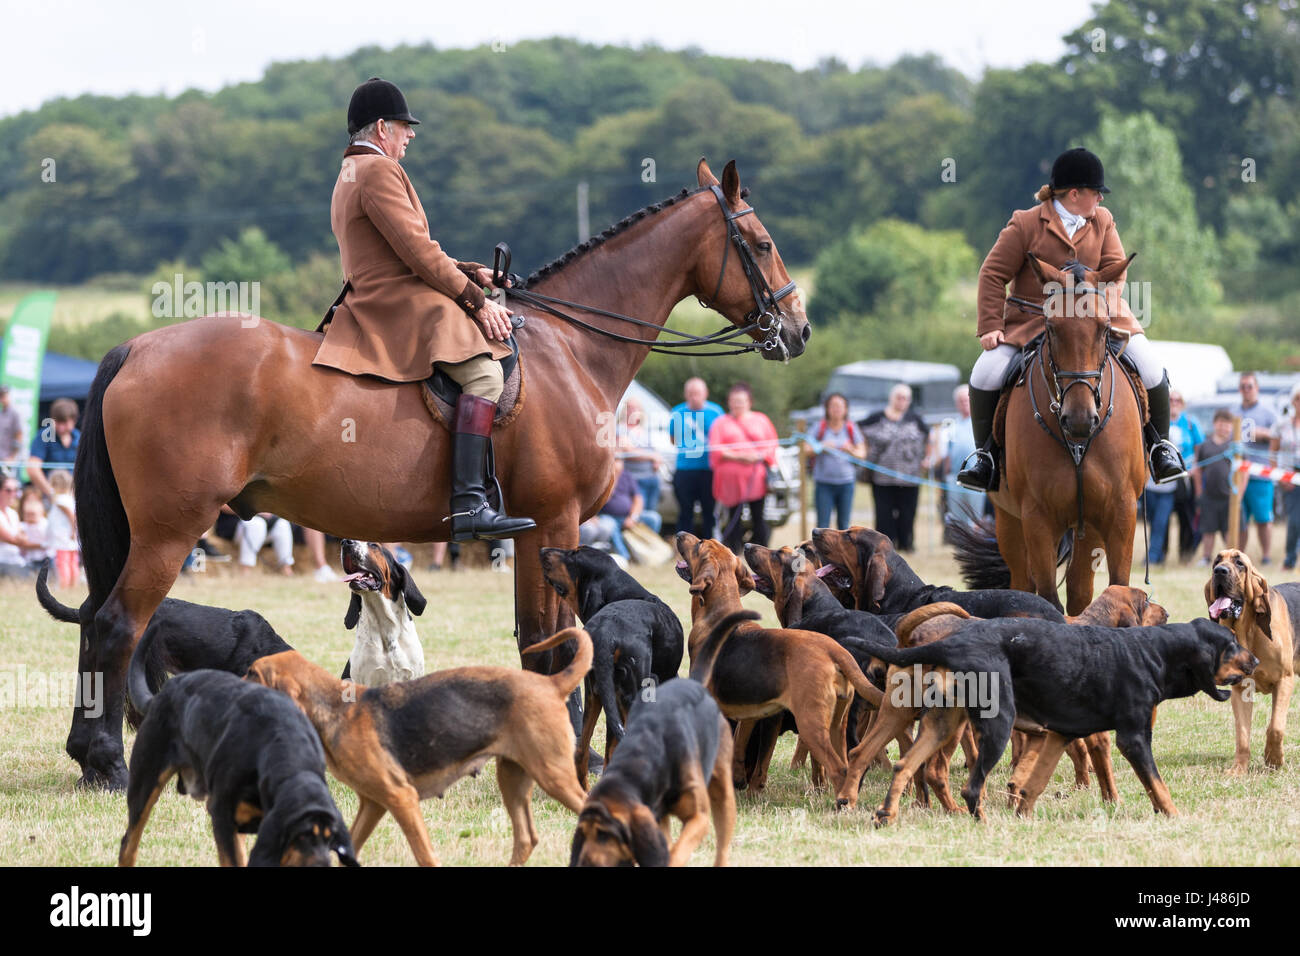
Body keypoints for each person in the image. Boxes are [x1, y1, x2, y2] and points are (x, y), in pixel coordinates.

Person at [312, 77, 533, 543]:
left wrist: (473, 272)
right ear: (380, 127)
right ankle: (470, 502)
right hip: (397, 301)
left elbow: (412, 248)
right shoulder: (378, 171)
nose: (410, 134)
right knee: (485, 376)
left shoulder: (352, 172)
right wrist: (476, 303)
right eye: (402, 126)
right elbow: (417, 253)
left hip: (388, 289)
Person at [957, 147, 1186, 492]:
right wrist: (991, 325)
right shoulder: (1025, 222)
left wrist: (1097, 309)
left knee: (1152, 367)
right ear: (1074, 193)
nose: (1099, 199)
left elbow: (1116, 273)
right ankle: (985, 457)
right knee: (984, 373)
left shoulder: (1103, 220)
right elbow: (992, 273)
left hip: (1097, 317)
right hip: (1034, 320)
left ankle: (1159, 449)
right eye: (1095, 192)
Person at [860, 384, 932, 552]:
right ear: (891, 398)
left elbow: (930, 438)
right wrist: (865, 451)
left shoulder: (915, 419)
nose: (902, 401)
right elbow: (858, 430)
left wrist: (927, 458)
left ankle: (906, 544)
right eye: (899, 397)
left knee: (908, 513)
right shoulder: (876, 418)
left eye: (906, 398)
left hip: (910, 477)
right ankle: (884, 547)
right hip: (882, 477)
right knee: (883, 514)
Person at [708, 383, 777, 554]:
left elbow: (772, 443)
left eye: (741, 401)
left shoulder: (761, 419)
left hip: (756, 478)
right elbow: (715, 448)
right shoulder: (721, 423)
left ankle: (761, 549)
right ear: (729, 402)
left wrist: (759, 456)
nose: (737, 405)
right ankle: (734, 549)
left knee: (758, 515)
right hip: (731, 479)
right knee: (734, 516)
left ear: (749, 401)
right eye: (734, 401)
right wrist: (740, 456)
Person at [669, 377, 723, 538]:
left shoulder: (716, 412)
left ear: (705, 393)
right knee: (685, 512)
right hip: (685, 470)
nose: (694, 397)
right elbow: (673, 440)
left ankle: (710, 547)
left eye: (697, 393)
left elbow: (722, 437)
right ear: (685, 394)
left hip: (708, 470)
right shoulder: (678, 413)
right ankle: (685, 547)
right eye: (691, 393)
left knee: (709, 511)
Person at [1234, 371, 1278, 562]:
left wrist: (1264, 433)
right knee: (1240, 519)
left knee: (1263, 519)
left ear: (1256, 388)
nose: (1246, 390)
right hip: (1237, 474)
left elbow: (1279, 436)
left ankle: (1266, 555)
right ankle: (1237, 556)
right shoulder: (1234, 411)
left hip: (1260, 474)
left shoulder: (1268, 412)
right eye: (1243, 386)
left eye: (1250, 386)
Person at [807, 392, 864, 530]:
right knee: (822, 527)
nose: (836, 409)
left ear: (846, 409)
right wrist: (821, 446)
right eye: (833, 406)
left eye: (840, 406)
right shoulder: (819, 427)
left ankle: (841, 552)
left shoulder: (851, 428)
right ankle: (822, 552)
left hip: (846, 483)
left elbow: (862, 454)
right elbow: (805, 450)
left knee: (844, 526)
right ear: (827, 409)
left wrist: (850, 449)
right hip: (823, 483)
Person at [593, 459, 661, 562]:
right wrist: (614, 478)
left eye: (619, 461)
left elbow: (638, 498)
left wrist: (633, 517)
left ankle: (647, 550)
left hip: (629, 516)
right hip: (609, 516)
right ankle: (625, 557)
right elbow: (603, 500)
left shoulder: (627, 475)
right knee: (609, 525)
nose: (618, 464)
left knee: (654, 518)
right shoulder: (601, 477)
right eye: (615, 461)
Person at [1194, 410, 1236, 567]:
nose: (1223, 427)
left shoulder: (1234, 445)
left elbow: (1243, 471)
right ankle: (1206, 557)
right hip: (1209, 495)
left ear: (1231, 427)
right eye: (1220, 423)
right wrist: (1199, 491)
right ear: (1214, 424)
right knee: (1208, 529)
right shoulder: (1205, 446)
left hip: (1229, 495)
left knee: (1228, 530)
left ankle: (1231, 558)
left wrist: (1240, 492)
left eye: (1227, 424)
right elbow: (1198, 470)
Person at [943, 384, 986, 530]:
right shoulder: (952, 424)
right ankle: (961, 547)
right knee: (957, 516)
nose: (964, 403)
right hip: (955, 477)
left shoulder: (980, 422)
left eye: (966, 400)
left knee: (975, 517)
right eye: (960, 401)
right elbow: (947, 450)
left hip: (976, 477)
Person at [1168, 389, 1204, 561]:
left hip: (1186, 478)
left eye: (1177, 400)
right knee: (1162, 518)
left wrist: (1195, 468)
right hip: (1165, 477)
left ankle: (1185, 555)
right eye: (1170, 399)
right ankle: (1160, 554)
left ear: (1182, 403)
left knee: (1187, 518)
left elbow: (1199, 449)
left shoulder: (1190, 423)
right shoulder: (1161, 422)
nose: (1173, 403)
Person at [1270, 382, 1300, 570]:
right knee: (1295, 520)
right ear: (1293, 401)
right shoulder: (1282, 425)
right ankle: (1290, 557)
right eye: (1298, 398)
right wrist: (1280, 477)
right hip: (1289, 476)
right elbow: (1272, 453)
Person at [26, 397, 79, 502]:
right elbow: (32, 469)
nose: (61, 427)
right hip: (48, 497)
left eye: (64, 422)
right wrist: (51, 493)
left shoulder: (80, 438)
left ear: (74, 420)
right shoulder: (44, 436)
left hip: (74, 496)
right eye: (57, 422)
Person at [619, 397, 662, 512]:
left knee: (651, 514)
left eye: (637, 408)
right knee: (639, 515)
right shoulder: (620, 429)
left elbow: (654, 450)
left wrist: (657, 459)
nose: (634, 411)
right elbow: (629, 451)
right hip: (635, 480)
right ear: (624, 411)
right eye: (630, 408)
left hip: (652, 479)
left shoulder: (644, 430)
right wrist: (653, 456)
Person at [46, 468, 79, 588]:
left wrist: (73, 530)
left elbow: (71, 515)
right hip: (70, 538)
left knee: (62, 562)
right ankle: (73, 584)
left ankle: (64, 584)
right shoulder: (70, 499)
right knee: (72, 562)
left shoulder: (60, 500)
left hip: (63, 537)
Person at [0, 477, 38, 578]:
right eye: (8, 490)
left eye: (15, 490)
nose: (13, 494)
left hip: (16, 560)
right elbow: (13, 540)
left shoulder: (12, 513)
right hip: (3, 561)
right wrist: (43, 545)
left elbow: (21, 537)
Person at [0, 385, 25, 475]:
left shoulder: (15, 413)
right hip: (2, 459)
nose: (3, 399)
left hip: (11, 461)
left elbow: (19, 435)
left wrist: (12, 457)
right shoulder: (2, 413)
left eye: (4, 396)